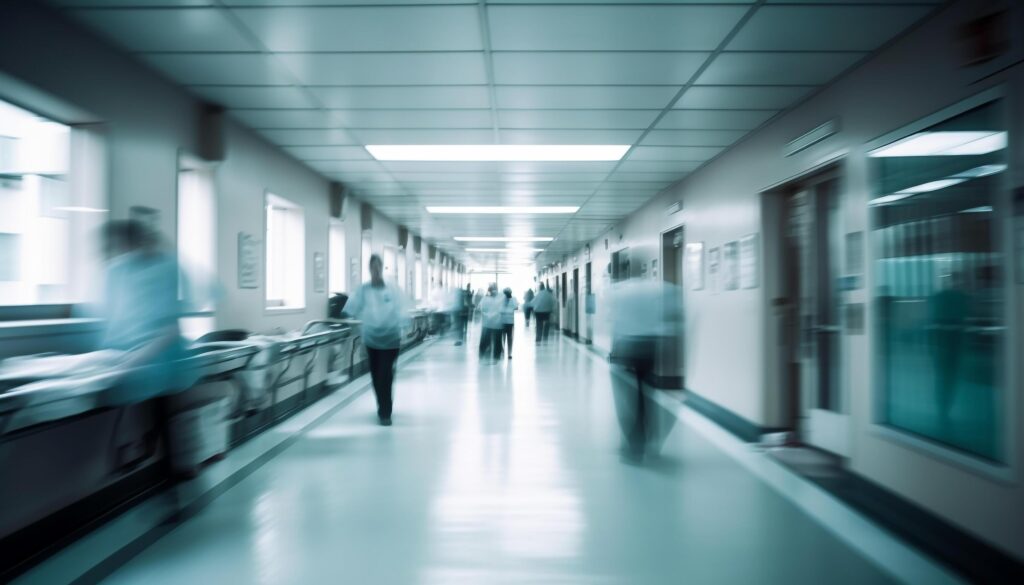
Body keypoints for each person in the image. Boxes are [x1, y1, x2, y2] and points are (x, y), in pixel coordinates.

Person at [607, 279, 683, 462]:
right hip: (650, 347)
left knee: (628, 399)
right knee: (645, 396)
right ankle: (647, 439)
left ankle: (634, 444)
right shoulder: (665, 290)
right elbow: (673, 321)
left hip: (627, 347)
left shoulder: (621, 291)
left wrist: (614, 350)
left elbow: (616, 322)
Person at [345, 254, 409, 426]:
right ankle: (382, 405)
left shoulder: (392, 289)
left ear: (382, 268)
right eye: (372, 267)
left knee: (385, 374)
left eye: (378, 267)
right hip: (372, 340)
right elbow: (351, 309)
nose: (376, 270)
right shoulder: (363, 289)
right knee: (376, 375)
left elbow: (403, 309)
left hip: (391, 339)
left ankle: (385, 412)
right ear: (369, 269)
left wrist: (404, 325)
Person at [478, 283, 503, 362]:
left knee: (485, 340)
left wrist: (486, 315)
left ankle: (482, 354)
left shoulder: (484, 299)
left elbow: (479, 308)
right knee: (497, 340)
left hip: (487, 323)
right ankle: (496, 356)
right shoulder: (501, 299)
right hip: (497, 323)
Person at [499, 287, 519, 359]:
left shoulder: (501, 300)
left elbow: (498, 309)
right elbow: (516, 307)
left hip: (504, 321)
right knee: (509, 338)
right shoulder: (513, 299)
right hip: (509, 321)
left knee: (503, 337)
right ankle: (508, 353)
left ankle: (503, 352)